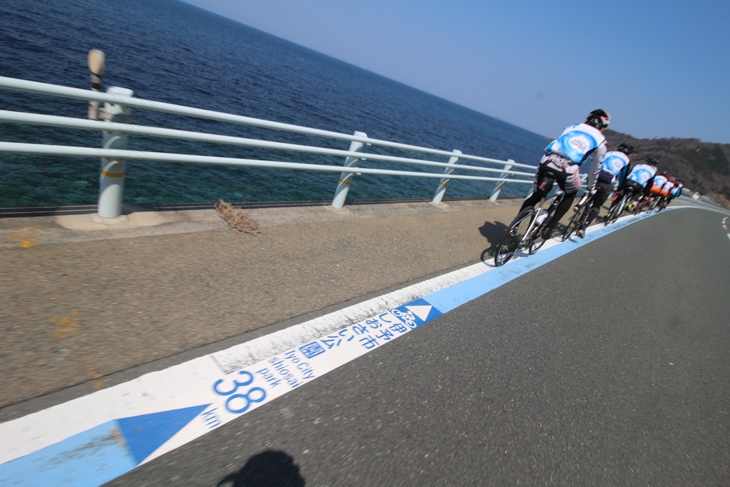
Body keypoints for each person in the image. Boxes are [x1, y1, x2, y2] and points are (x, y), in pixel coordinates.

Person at [515, 109, 610, 238]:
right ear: (603, 126)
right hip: (568, 168)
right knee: (570, 194)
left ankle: (514, 227)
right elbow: (595, 168)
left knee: (536, 195)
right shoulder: (601, 141)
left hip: (547, 160)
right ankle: (549, 228)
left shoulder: (573, 126)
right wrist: (591, 188)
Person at [576, 143, 633, 237]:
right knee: (597, 205)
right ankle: (584, 227)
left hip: (596, 175)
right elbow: (623, 176)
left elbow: (597, 162)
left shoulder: (609, 153)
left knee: (590, 190)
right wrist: (620, 188)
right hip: (608, 181)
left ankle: (581, 203)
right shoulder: (627, 160)